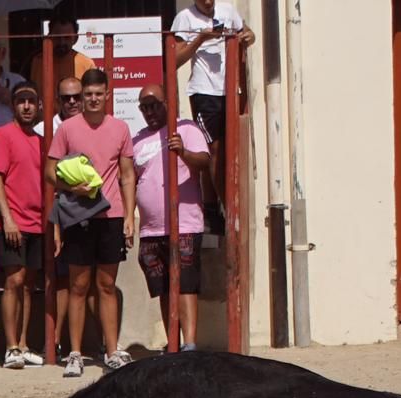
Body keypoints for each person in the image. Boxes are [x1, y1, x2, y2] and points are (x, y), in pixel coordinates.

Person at [45, 67, 133, 377]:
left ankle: (111, 351)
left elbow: (126, 175)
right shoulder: (67, 129)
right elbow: (49, 171)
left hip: (111, 218)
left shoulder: (121, 128)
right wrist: (72, 188)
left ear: (108, 95)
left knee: (107, 285)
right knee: (78, 285)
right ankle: (75, 353)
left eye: (98, 94)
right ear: (81, 98)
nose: (93, 99)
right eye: (87, 95)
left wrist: (130, 217)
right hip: (78, 218)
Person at [127, 84, 209, 353]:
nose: (149, 111)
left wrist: (183, 152)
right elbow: (129, 178)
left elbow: (204, 161)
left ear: (167, 103)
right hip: (151, 228)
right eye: (144, 107)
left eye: (154, 104)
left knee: (185, 283)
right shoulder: (138, 140)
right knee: (162, 288)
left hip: (183, 223)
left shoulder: (185, 129)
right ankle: (172, 341)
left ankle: (190, 343)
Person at [172, 0, 253, 233]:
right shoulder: (184, 18)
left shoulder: (228, 11)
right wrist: (200, 39)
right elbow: (174, 60)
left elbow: (247, 33)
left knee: (230, 150)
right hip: (203, 92)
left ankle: (216, 206)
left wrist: (248, 37)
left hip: (230, 90)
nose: (208, 2)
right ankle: (226, 208)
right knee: (213, 150)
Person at [0, 83, 46, 370]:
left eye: (31, 101)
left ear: (39, 106)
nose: (26, 106)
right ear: (13, 106)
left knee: (28, 285)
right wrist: (8, 218)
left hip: (37, 224)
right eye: (21, 101)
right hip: (11, 223)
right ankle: (10, 346)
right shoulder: (2, 135)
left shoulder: (41, 141)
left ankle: (23, 345)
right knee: (12, 281)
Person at [49, 76, 85, 348]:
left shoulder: (95, 124)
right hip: (57, 211)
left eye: (76, 97)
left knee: (92, 282)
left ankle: (91, 343)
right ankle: (57, 341)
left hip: (90, 211)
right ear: (57, 100)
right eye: (66, 98)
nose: (72, 102)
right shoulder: (45, 128)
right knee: (60, 279)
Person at [27, 17, 96, 91]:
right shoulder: (38, 61)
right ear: (49, 37)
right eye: (57, 37)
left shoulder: (86, 63)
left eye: (67, 38)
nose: (62, 42)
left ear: (76, 39)